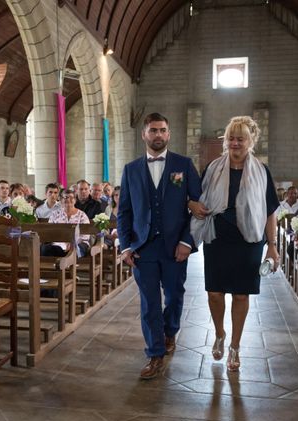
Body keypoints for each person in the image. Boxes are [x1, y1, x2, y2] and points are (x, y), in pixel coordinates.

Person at [118, 112, 204, 380]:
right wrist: (125, 247)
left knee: (175, 295)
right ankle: (154, 354)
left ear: (169, 134)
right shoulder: (131, 169)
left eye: (162, 130)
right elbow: (124, 212)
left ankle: (170, 331)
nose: (158, 135)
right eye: (153, 130)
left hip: (175, 247)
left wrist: (186, 242)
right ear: (144, 134)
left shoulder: (184, 164)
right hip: (143, 248)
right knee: (149, 303)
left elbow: (199, 209)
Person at [191, 115, 279, 372]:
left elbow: (270, 211)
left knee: (241, 294)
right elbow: (197, 198)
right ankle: (219, 333)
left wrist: (272, 246)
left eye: (240, 138)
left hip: (249, 239)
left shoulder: (262, 171)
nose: (235, 143)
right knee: (215, 292)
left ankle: (235, 346)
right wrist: (191, 204)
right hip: (218, 236)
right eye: (231, 137)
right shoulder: (213, 167)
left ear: (251, 141)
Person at [44, 190, 90, 257]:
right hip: (58, 245)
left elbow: (85, 235)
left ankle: (72, 265)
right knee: (45, 249)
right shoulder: (55, 214)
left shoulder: (82, 215)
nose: (68, 200)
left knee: (77, 249)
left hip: (78, 244)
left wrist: (72, 243)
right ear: (61, 200)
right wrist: (63, 242)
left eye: (71, 197)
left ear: (75, 200)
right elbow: (50, 232)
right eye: (65, 197)